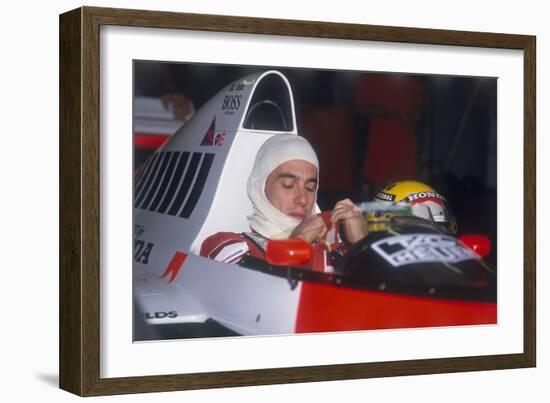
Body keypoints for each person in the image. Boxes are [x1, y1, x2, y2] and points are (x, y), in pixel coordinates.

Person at [200, 134, 367, 272]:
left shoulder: (335, 244)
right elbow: (247, 299)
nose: (302, 199)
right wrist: (297, 243)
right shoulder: (228, 246)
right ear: (260, 185)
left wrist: (363, 245)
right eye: (288, 185)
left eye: (310, 188)